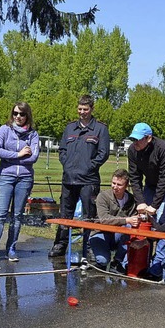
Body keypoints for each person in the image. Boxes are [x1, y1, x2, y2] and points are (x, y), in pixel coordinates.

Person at [50, 94, 110, 258]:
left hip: (88, 180)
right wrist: (66, 164)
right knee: (65, 215)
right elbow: (62, 150)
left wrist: (89, 167)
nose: (82, 112)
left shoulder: (100, 129)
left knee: (89, 216)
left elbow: (103, 153)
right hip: (69, 179)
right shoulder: (70, 128)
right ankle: (60, 245)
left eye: (85, 109)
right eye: (80, 109)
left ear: (91, 109)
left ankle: (89, 247)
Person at [0, 102, 39, 263]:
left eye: (21, 114)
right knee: (0, 215)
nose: (18, 117)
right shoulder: (4, 130)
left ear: (27, 115)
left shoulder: (33, 134)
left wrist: (10, 156)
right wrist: (19, 154)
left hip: (25, 179)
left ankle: (11, 248)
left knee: (17, 215)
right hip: (6, 177)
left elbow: (34, 156)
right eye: (15, 113)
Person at [127, 122, 165, 275]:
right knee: (144, 219)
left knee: (162, 221)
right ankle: (142, 258)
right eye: (133, 139)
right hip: (150, 185)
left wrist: (155, 205)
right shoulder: (132, 150)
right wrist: (141, 202)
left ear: (149, 138)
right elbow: (134, 177)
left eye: (138, 139)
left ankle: (158, 263)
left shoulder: (164, 148)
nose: (135, 142)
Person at [88, 169, 139, 273]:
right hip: (100, 232)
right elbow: (104, 219)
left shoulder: (131, 200)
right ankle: (93, 249)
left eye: (119, 185)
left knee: (130, 228)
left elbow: (134, 219)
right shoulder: (103, 196)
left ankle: (117, 261)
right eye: (113, 183)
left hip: (118, 235)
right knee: (102, 261)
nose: (115, 187)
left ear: (126, 186)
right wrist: (126, 220)